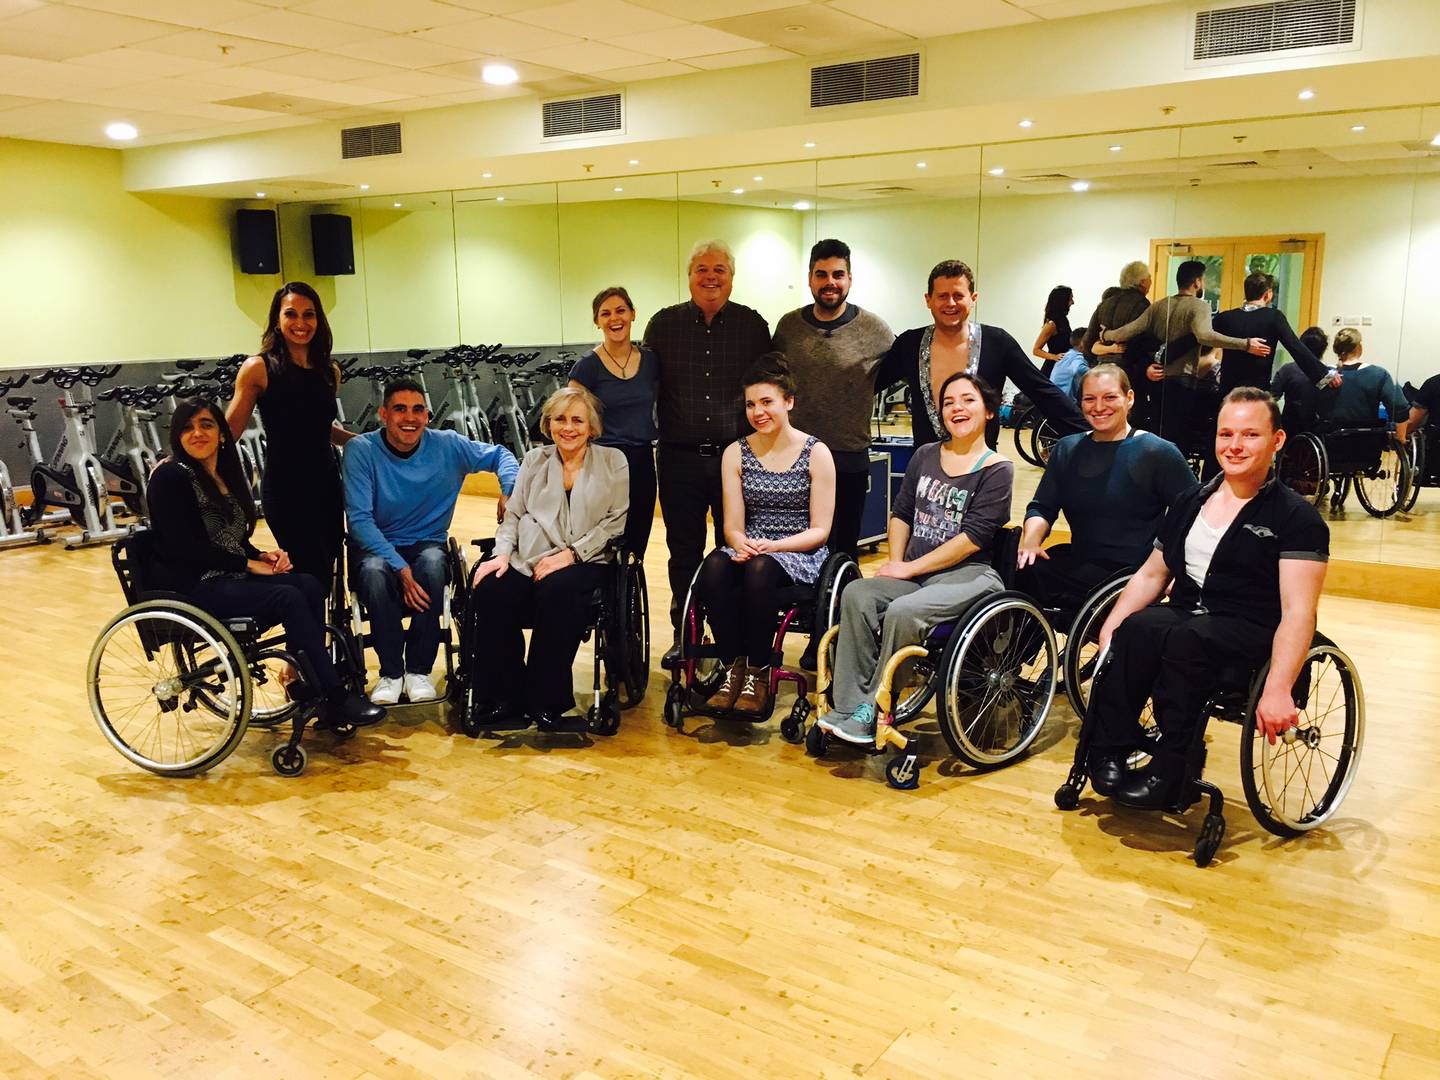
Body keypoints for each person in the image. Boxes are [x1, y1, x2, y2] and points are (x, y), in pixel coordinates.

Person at [1083, 388, 1329, 808]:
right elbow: (1152, 573)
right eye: (1226, 434)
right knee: (1137, 628)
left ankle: (1172, 769)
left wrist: (1278, 688)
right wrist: (1112, 625)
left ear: (1277, 440)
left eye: (1250, 435)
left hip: (1252, 626)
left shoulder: (1296, 518)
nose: (1234, 446)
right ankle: (1108, 748)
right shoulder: (1190, 501)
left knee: (1188, 639)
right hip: (1191, 613)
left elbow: (1298, 611)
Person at [147, 399, 384, 729]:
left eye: (206, 425)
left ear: (222, 434)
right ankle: (334, 696)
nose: (197, 433)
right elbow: (186, 548)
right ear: (176, 436)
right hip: (195, 584)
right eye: (187, 428)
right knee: (287, 597)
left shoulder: (222, 474)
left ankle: (307, 682)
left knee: (309, 584)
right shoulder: (170, 476)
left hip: (227, 576)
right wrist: (248, 564)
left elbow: (232, 538)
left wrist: (260, 555)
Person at [818, 372, 1014, 746]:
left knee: (903, 611)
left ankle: (874, 709)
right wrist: (896, 563)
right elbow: (902, 513)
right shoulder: (926, 455)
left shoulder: (997, 469)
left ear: (989, 411)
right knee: (857, 594)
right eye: (949, 402)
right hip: (917, 571)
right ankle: (846, 707)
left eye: (968, 400)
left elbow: (972, 539)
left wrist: (907, 569)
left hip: (969, 575)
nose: (957, 408)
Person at [343, 378, 519, 707]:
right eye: (400, 409)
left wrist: (508, 489)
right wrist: (401, 570)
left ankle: (419, 671)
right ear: (383, 414)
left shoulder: (448, 445)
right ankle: (392, 673)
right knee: (374, 573)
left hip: (427, 542)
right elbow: (359, 522)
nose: (409, 417)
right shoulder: (361, 451)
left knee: (436, 565)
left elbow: (502, 456)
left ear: (427, 415)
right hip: (376, 545)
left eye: (417, 410)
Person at [466, 386, 629, 731]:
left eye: (577, 420)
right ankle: (505, 697)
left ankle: (546, 700)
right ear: (548, 423)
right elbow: (513, 515)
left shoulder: (613, 461)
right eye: (560, 419)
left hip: (587, 560)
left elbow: (615, 521)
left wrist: (571, 555)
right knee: (491, 589)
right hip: (531, 556)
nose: (568, 428)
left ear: (592, 427)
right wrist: (500, 556)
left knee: (558, 590)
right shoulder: (534, 460)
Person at [643, 240, 771, 662]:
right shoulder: (663, 325)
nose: (710, 276)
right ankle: (686, 631)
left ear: (731, 278)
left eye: (719, 269)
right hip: (679, 458)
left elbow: (769, 390)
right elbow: (644, 384)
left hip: (736, 459)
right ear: (689, 276)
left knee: (734, 548)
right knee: (684, 550)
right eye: (701, 269)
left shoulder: (753, 326)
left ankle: (728, 633)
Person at [695, 356, 835, 717]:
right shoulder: (735, 452)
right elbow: (732, 524)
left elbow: (820, 531)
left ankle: (758, 672)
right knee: (713, 567)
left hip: (799, 549)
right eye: (751, 404)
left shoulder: (815, 453)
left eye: (767, 402)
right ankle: (732, 667)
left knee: (759, 570)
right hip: (752, 543)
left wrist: (773, 547)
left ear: (788, 402)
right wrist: (738, 542)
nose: (758, 412)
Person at [1016, 364, 1196, 611]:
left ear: (1129, 398)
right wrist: (1031, 542)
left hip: (1131, 574)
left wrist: (1175, 569)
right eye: (1090, 399)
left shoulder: (1157, 452)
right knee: (1020, 573)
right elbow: (1042, 507)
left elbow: (1193, 515)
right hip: (1080, 561)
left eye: (1110, 397)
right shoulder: (1067, 449)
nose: (1099, 407)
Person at [771, 238, 895, 560]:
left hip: (848, 458)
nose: (830, 283)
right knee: (796, 552)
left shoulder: (875, 329)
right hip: (794, 459)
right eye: (822, 274)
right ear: (810, 278)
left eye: (838, 275)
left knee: (842, 552)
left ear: (849, 279)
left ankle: (840, 611)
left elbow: (899, 373)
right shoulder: (788, 328)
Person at [877, 260, 1085, 450]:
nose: (950, 303)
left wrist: (1092, 435)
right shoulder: (909, 344)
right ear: (928, 300)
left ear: (973, 299)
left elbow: (1043, 391)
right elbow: (868, 383)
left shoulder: (997, 342)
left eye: (958, 296)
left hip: (982, 472)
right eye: (942, 296)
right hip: (925, 471)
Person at [227, 282, 351, 596]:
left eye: (309, 315)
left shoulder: (329, 371)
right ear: (277, 321)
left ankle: (322, 640)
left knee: (328, 568)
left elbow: (319, 427)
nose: (300, 323)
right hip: (287, 489)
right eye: (291, 314)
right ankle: (305, 642)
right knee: (307, 573)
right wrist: (180, 460)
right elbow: (229, 433)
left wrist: (368, 442)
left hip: (326, 485)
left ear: (319, 320)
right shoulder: (258, 368)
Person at [1097, 260, 1271, 446]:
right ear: (1196, 282)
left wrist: (1106, 334)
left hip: (1156, 381)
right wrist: (1245, 344)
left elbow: (1128, 331)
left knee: (1156, 433)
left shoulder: (1160, 305)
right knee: (1176, 440)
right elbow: (1205, 336)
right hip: (1182, 380)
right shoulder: (1199, 306)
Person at [568, 285, 658, 558]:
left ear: (633, 314)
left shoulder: (652, 361)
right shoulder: (587, 367)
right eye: (605, 313)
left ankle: (629, 598)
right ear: (597, 322)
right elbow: (569, 422)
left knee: (636, 543)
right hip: (603, 464)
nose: (614, 318)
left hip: (642, 462)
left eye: (621, 310)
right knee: (603, 544)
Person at [1213, 271, 1330, 396]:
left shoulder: (1225, 317)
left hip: (1227, 392)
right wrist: (1324, 376)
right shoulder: (1273, 316)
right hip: (1257, 391)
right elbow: (1295, 347)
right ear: (1267, 294)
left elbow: (1204, 338)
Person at [1081, 260, 1158, 427]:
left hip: (1101, 369)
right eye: (1150, 278)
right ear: (1143, 282)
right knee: (1127, 417)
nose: (1151, 281)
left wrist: (1104, 349)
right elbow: (1144, 343)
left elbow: (1087, 343)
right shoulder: (1142, 304)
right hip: (1129, 371)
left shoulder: (1105, 304)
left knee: (1102, 416)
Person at [1313, 328, 1410, 440]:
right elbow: (1400, 407)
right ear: (1359, 347)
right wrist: (1400, 437)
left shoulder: (1327, 375)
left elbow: (1312, 401)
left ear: (1336, 349)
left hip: (1330, 443)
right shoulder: (1379, 375)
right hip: (1367, 444)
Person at [1271, 325, 1330, 435]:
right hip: (1317, 427)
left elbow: (1272, 397)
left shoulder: (1287, 370)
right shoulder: (1327, 374)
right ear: (1324, 348)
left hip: (1290, 425)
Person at [1031, 285, 1074, 377]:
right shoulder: (1051, 324)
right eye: (1070, 299)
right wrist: (1054, 357)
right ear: (1062, 301)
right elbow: (1036, 350)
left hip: (1062, 367)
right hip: (1052, 370)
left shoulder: (1063, 320)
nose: (1073, 302)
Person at [1048, 328, 1090, 402]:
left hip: (1052, 400)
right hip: (1066, 405)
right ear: (1083, 343)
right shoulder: (1079, 359)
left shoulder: (1065, 356)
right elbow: (1078, 369)